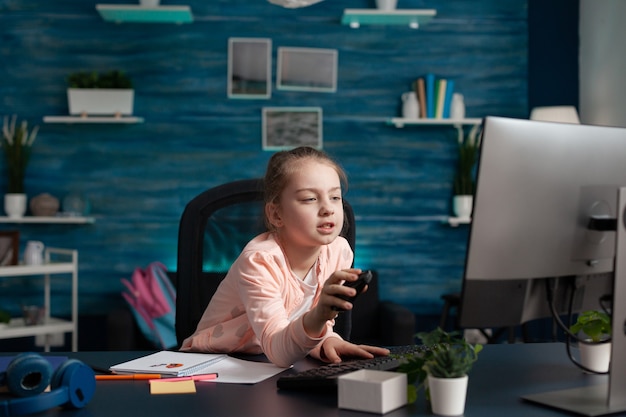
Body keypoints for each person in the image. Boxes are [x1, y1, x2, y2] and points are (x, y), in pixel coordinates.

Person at [180, 146, 390, 367]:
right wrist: (319, 315)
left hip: (272, 361)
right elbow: (279, 350)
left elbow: (303, 323)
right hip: (214, 363)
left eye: (335, 197)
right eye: (310, 199)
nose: (328, 208)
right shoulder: (259, 260)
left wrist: (328, 339)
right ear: (276, 214)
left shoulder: (339, 251)